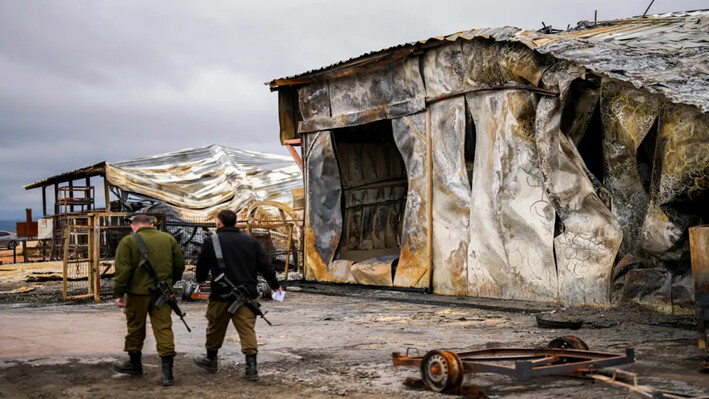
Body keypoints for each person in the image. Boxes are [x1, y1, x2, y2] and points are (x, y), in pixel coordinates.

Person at [193, 209, 282, 381]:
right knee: (247, 330)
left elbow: (202, 265)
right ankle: (251, 369)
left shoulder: (212, 241)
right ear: (235, 223)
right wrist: (275, 285)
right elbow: (265, 265)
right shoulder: (250, 241)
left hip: (220, 294)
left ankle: (211, 360)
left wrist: (201, 279)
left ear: (218, 223)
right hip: (247, 295)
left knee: (214, 328)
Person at [112, 214, 185, 386]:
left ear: (133, 226)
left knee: (135, 327)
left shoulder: (128, 242)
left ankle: (135, 365)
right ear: (152, 225)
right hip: (162, 294)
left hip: (137, 294)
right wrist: (169, 283)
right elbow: (180, 264)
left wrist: (118, 293)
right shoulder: (168, 239)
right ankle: (167, 373)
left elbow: (123, 271)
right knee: (164, 328)